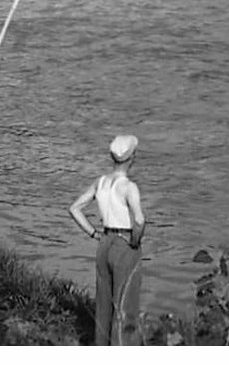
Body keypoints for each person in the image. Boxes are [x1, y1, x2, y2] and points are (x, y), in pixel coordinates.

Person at [68, 134, 146, 346]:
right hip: (124, 242)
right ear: (132, 158)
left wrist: (94, 234)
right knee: (125, 305)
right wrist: (136, 241)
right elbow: (139, 220)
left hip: (104, 242)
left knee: (103, 304)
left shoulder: (101, 182)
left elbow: (74, 209)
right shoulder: (129, 187)